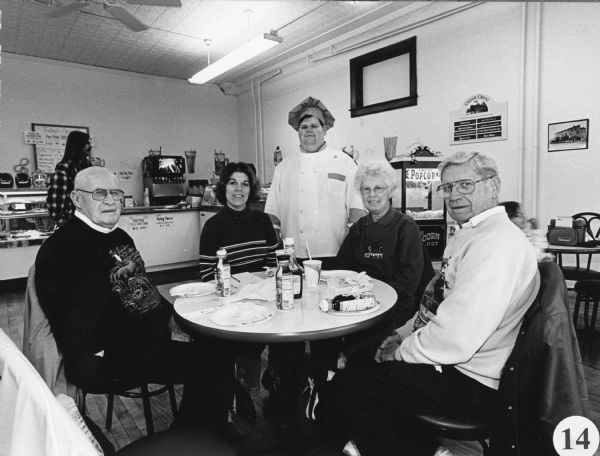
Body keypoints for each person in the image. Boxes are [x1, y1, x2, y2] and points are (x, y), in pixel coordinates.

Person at [326, 151, 540, 456]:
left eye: (465, 185)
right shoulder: (471, 233)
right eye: (448, 188)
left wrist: (399, 352)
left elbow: (456, 338)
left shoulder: (496, 244)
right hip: (460, 365)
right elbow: (436, 303)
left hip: (472, 381)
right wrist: (401, 334)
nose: (454, 196)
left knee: (350, 385)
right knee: (360, 363)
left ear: (493, 186)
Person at [36, 166, 230, 432]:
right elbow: (78, 329)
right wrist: (158, 333)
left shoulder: (119, 235)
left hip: (140, 342)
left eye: (116, 193)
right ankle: (192, 436)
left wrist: (175, 322)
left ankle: (196, 432)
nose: (111, 200)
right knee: (212, 362)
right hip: (102, 359)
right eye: (99, 193)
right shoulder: (60, 250)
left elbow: (144, 291)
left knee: (217, 348)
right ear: (76, 198)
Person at [198, 162, 279, 422]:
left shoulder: (262, 220)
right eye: (233, 182)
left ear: (251, 189)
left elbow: (272, 261)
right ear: (224, 187)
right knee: (231, 347)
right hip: (230, 301)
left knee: (258, 345)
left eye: (245, 183)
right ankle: (238, 392)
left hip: (261, 297)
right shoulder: (213, 226)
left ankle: (247, 388)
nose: (239, 189)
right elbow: (206, 272)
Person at [264, 96, 366, 263]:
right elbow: (273, 214)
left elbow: (357, 211)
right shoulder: (284, 167)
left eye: (314, 126)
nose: (308, 130)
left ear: (325, 129)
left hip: (335, 252)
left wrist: (351, 247)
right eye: (303, 127)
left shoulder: (344, 162)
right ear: (298, 132)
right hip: (293, 254)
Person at [46, 131, 93, 227]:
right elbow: (55, 210)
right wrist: (68, 226)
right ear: (78, 145)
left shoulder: (87, 167)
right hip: (75, 225)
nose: (90, 146)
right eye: (87, 143)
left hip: (91, 223)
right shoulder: (64, 171)